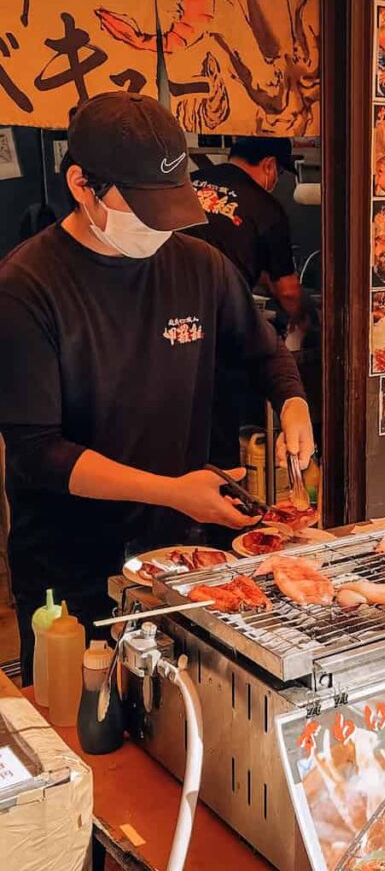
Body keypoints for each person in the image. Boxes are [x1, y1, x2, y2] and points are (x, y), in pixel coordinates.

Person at [0, 93, 314, 682]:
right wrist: (171, 489)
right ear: (81, 185)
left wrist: (294, 404)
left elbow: (264, 352)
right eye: (143, 207)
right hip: (71, 569)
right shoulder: (25, 288)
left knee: (181, 718)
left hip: (179, 555)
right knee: (87, 729)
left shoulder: (198, 264)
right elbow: (38, 453)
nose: (160, 227)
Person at [185, 138, 305, 323]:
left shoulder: (187, 182)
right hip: (215, 315)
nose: (276, 180)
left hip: (160, 300)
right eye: (279, 173)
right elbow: (288, 292)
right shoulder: (266, 208)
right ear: (269, 165)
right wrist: (303, 323)